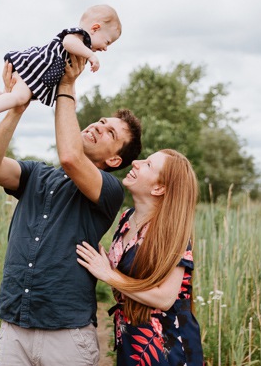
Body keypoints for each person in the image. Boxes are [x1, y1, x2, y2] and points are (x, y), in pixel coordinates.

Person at [0, 55, 142, 365]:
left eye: (111, 134)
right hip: (14, 325)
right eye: (103, 122)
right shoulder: (36, 173)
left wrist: (67, 84)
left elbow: (70, 157)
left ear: (115, 160)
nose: (99, 127)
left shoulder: (109, 189)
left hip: (66, 335)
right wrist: (16, 109)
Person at [76, 149, 204, 366]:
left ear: (159, 188)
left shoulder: (171, 232)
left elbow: (164, 299)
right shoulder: (127, 217)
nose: (135, 162)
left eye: (147, 165)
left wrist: (109, 275)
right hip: (131, 337)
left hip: (166, 346)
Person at [0, 4, 122, 140]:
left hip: (38, 77)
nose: (106, 48)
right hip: (34, 68)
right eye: (107, 41)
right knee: (19, 97)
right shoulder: (80, 37)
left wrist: (72, 94)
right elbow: (67, 42)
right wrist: (91, 55)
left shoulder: (82, 51)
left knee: (15, 99)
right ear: (95, 28)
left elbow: (70, 76)